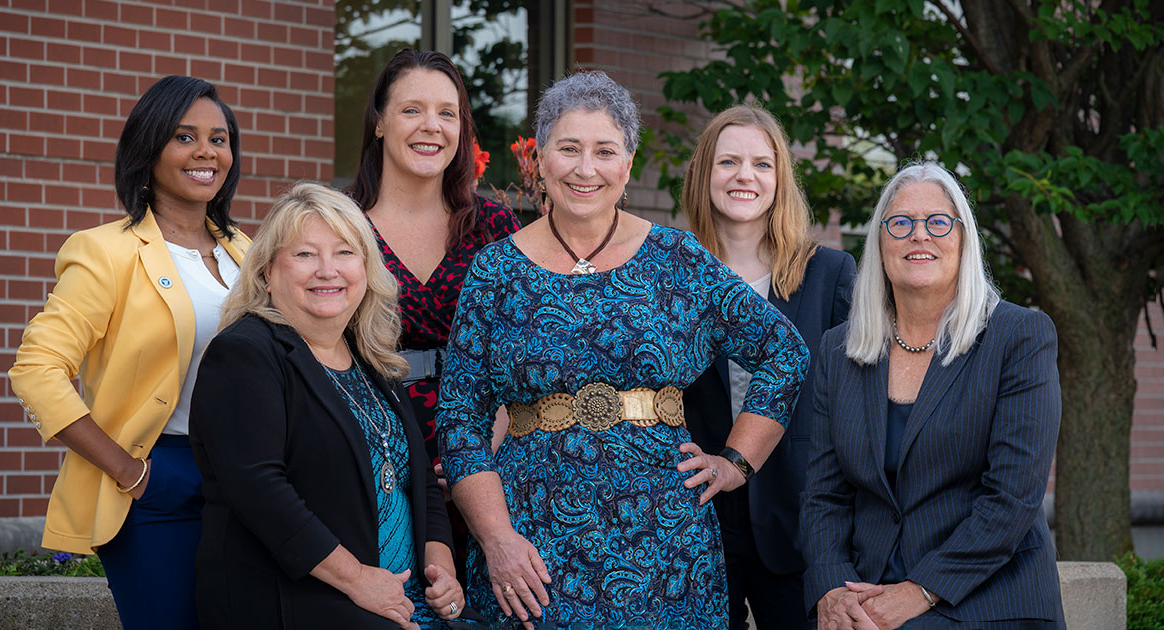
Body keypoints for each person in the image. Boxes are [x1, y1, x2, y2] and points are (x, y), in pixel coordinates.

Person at [436, 71, 810, 629]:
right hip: (531, 549)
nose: (586, 169)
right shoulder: (496, 271)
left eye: (604, 151)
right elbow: (461, 419)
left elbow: (784, 350)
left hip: (666, 543)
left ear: (627, 165)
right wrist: (497, 539)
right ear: (540, 161)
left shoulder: (678, 261)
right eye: (569, 149)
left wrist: (735, 462)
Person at [7, 75, 247, 629]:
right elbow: (36, 370)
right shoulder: (104, 252)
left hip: (244, 479)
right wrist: (132, 472)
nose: (206, 152)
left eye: (219, 137)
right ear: (150, 146)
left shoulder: (248, 251)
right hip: (156, 479)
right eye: (185, 137)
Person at [188, 182, 473, 630]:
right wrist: (358, 579)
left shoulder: (372, 361)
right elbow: (260, 491)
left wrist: (443, 570)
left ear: (365, 268)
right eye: (304, 255)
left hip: (400, 598)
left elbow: (417, 479)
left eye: (344, 252)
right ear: (267, 272)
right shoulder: (245, 353)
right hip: (301, 601)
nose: (327, 270)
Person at [801, 162, 1065, 629]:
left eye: (938, 222)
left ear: (963, 239)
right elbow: (824, 495)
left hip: (988, 595)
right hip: (870, 592)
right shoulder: (839, 349)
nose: (919, 235)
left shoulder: (1019, 336)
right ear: (880, 242)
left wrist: (921, 590)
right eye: (900, 223)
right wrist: (833, 589)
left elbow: (1012, 499)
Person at [680, 104, 856, 630]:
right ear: (704, 174)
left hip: (801, 515)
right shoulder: (671, 271)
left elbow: (853, 401)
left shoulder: (830, 273)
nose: (744, 176)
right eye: (728, 161)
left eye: (761, 164)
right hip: (698, 512)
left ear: (780, 179)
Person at [345, 49, 520, 475]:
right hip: (367, 451)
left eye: (447, 112)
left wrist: (478, 458)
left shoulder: (495, 227)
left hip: (484, 450)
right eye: (411, 110)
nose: (432, 126)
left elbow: (520, 350)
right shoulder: (339, 224)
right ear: (380, 122)